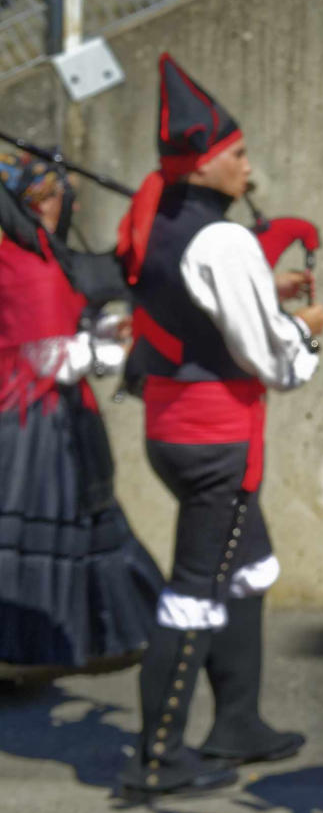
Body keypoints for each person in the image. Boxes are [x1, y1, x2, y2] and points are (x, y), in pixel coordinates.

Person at [114, 55, 323, 801]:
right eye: (235, 153)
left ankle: (238, 721)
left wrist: (267, 292)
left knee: (246, 567)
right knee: (195, 594)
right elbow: (270, 358)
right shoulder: (224, 240)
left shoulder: (158, 215)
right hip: (216, 442)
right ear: (205, 163)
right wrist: (305, 329)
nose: (247, 164)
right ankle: (157, 756)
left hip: (174, 428)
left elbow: (191, 302)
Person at [0, 152, 160, 675]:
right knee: (39, 531)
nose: (57, 206)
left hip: (50, 413)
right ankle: (28, 651)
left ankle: (94, 637)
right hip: (35, 421)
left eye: (56, 194)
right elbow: (47, 357)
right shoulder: (31, 265)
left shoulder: (38, 256)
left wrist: (98, 336)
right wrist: (106, 347)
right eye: (42, 197)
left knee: (76, 526)